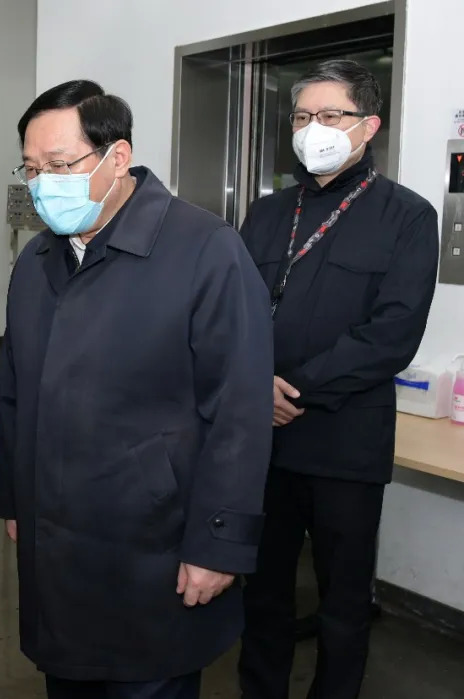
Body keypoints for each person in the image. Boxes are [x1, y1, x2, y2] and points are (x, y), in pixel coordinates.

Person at [0, 79, 274, 699]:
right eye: (31, 169)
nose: (43, 184)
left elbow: (240, 412)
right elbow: (14, 390)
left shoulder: (205, 250)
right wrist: (13, 496)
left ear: (118, 157)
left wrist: (219, 544)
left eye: (60, 165)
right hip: (56, 540)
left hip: (154, 543)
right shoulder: (37, 262)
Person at [237, 59, 439, 699]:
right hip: (261, 440)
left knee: (343, 604)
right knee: (261, 593)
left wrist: (291, 389)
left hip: (344, 443)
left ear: (368, 126)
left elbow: (392, 333)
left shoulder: (407, 216)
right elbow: (230, 312)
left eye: (330, 115)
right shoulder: (267, 212)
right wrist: (252, 383)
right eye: (301, 116)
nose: (311, 128)